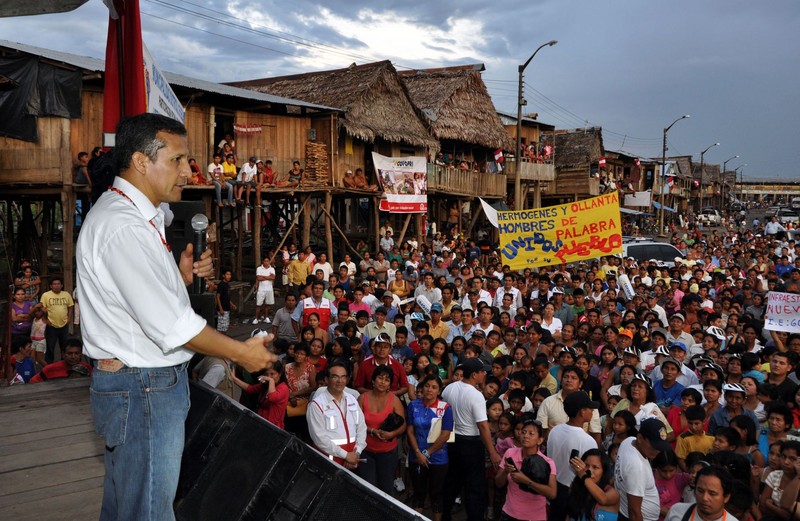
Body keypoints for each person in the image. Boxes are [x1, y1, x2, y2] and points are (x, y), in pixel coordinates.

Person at [75, 113, 273, 521]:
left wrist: (178, 280)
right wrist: (241, 353)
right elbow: (172, 328)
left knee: (125, 508)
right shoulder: (124, 226)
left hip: (138, 384)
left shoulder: (133, 217)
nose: (188, 170)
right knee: (148, 511)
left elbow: (134, 306)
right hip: (143, 387)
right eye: (178, 159)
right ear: (142, 161)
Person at [442, 358, 502, 521]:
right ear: (474, 374)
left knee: (453, 480)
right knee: (475, 487)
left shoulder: (449, 388)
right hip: (471, 443)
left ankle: (443, 514)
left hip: (452, 440)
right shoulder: (476, 395)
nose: (485, 374)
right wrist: (492, 452)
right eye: (483, 372)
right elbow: (483, 426)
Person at [547, 391, 600, 521]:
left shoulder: (555, 430)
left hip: (553, 486)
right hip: (572, 492)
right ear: (582, 411)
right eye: (589, 408)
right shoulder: (587, 440)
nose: (592, 411)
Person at [406, 374, 453, 521]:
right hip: (416, 456)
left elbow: (446, 434)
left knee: (436, 493)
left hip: (438, 458)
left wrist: (426, 453)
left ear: (439, 391)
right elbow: (410, 431)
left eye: (434, 387)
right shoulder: (413, 405)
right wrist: (418, 453)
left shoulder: (445, 408)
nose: (429, 390)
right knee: (418, 492)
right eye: (427, 386)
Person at [494, 417, 558, 521]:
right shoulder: (510, 453)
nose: (525, 436)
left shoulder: (548, 462)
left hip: (534, 517)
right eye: (523, 432)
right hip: (509, 514)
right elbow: (498, 483)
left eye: (531, 433)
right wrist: (505, 471)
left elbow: (552, 493)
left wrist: (525, 481)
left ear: (540, 440)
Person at [307, 361, 367, 468]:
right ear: (326, 379)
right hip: (328, 461)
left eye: (343, 377)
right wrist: (346, 455)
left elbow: (361, 427)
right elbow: (319, 438)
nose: (340, 381)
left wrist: (356, 453)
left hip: (352, 460)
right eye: (335, 377)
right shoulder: (317, 405)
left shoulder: (352, 399)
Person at [357, 365, 406, 494]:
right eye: (380, 378)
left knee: (386, 487)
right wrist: (372, 431)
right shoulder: (362, 398)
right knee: (368, 487)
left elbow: (403, 425)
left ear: (390, 384)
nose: (383, 382)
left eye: (387, 379)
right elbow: (355, 424)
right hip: (365, 450)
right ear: (373, 380)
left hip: (388, 452)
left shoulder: (394, 400)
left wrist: (392, 434)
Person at [614, 418, 673, 521]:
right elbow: (634, 512)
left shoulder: (628, 441)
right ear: (640, 438)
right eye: (654, 446)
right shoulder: (637, 467)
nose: (658, 451)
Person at [664, 465, 738, 521]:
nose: (704, 498)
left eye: (712, 493)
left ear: (726, 497)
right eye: (700, 491)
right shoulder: (677, 511)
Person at [232, 360, 289, 428]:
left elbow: (272, 397)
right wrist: (234, 379)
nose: (269, 377)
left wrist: (271, 380)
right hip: (260, 422)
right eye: (266, 374)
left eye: (272, 374)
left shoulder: (283, 388)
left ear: (280, 374)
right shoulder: (265, 385)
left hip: (272, 427)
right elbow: (250, 388)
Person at [567, 449, 620, 521]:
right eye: (586, 466)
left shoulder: (612, 493)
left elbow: (603, 499)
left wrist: (583, 475)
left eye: (595, 467)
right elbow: (569, 516)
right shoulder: (576, 488)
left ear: (603, 471)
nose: (589, 470)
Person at [39, 277, 74, 364]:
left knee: (64, 346)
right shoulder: (46, 295)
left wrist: (69, 319)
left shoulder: (66, 294)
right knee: (50, 346)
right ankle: (49, 364)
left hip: (64, 324)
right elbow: (41, 308)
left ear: (61, 285)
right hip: (51, 325)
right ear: (51, 286)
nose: (56, 286)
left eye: (58, 284)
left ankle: (64, 363)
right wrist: (46, 321)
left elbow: (70, 307)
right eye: (54, 284)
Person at [254, 257, 276, 324]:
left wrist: (263, 276)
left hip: (269, 289)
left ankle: (266, 317)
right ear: (263, 262)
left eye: (267, 261)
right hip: (261, 289)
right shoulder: (259, 268)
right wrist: (268, 277)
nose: (266, 262)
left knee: (268, 304)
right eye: (265, 261)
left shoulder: (272, 269)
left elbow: (273, 277)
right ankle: (256, 318)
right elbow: (258, 278)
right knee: (258, 304)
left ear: (269, 262)